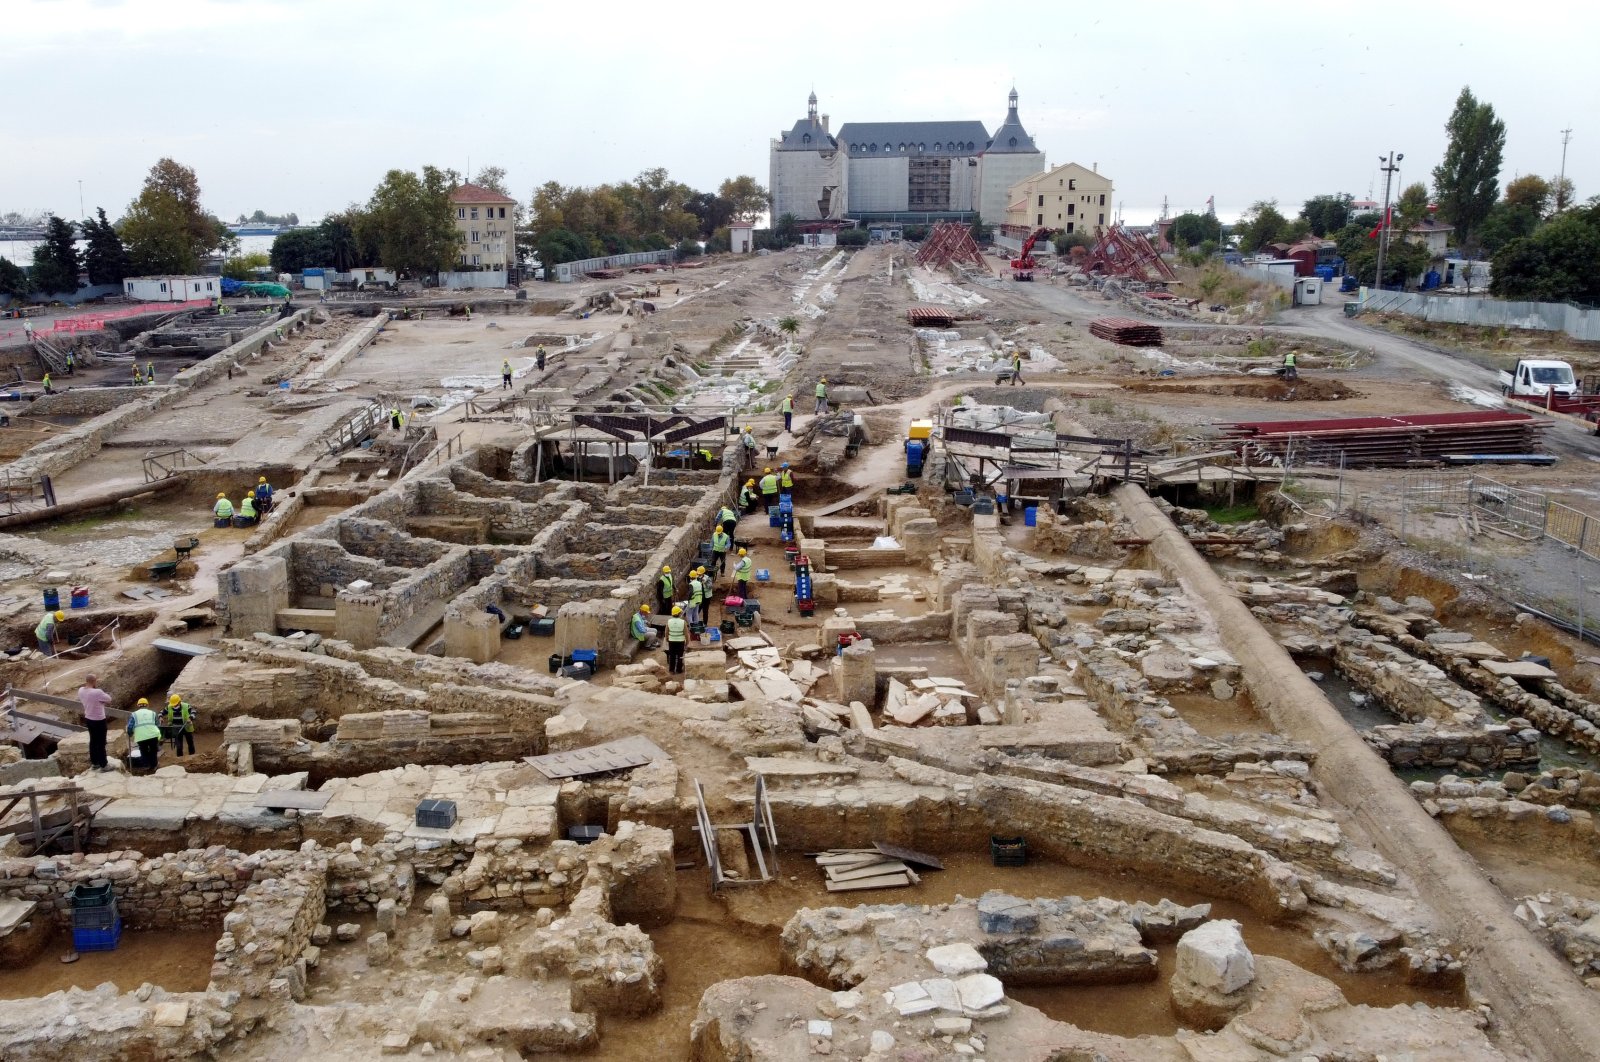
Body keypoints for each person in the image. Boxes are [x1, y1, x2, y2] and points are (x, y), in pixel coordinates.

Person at [77, 674, 112, 771]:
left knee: (93, 741)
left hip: (89, 719)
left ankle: (95, 763)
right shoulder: (97, 692)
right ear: (94, 681)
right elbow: (109, 699)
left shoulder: (80, 690)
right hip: (99, 720)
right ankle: (104, 765)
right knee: (101, 742)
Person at [126, 698, 162, 774]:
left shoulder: (134, 714)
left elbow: (130, 726)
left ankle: (146, 765)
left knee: (143, 751)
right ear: (147, 705)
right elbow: (157, 725)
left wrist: (130, 733)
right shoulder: (153, 713)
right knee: (153, 750)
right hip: (153, 735)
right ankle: (154, 765)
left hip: (141, 736)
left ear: (138, 706)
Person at [163, 693, 195, 758]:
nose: (174, 706)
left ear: (179, 702)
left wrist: (190, 718)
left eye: (175, 704)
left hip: (186, 727)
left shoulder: (186, 706)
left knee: (190, 743)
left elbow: (193, 712)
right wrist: (160, 717)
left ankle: (192, 756)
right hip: (176, 728)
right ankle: (179, 758)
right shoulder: (169, 707)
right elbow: (161, 713)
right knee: (179, 746)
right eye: (173, 704)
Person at [664, 605, 688, 674]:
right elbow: (686, 634)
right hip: (680, 641)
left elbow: (666, 632)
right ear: (679, 613)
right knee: (680, 655)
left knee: (672, 655)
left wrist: (667, 639)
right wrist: (687, 642)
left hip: (671, 641)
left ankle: (671, 670)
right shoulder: (683, 622)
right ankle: (678, 670)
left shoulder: (669, 621)